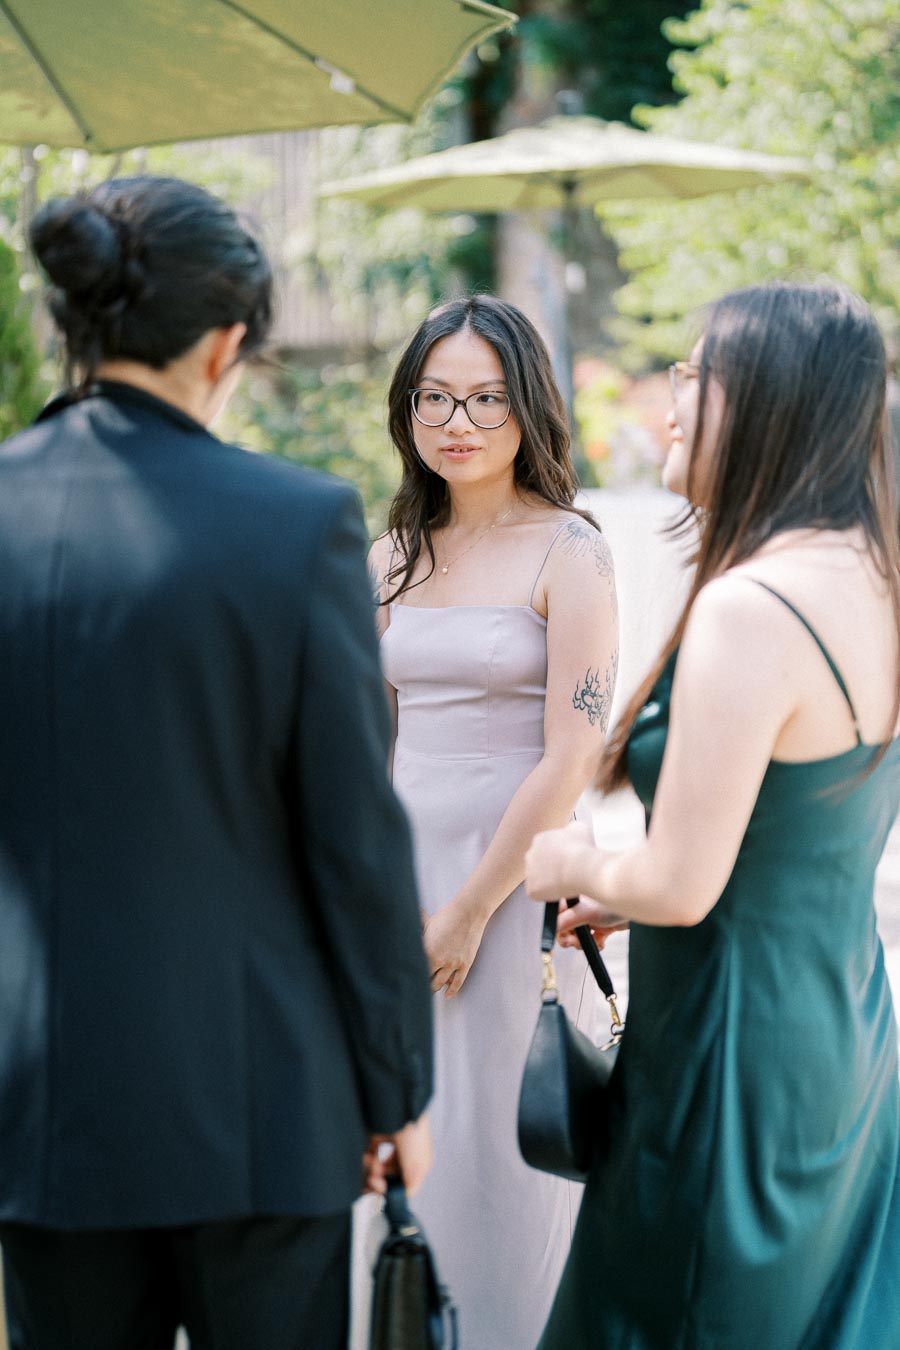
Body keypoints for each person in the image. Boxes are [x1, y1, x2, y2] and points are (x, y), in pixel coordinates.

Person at [0, 175, 433, 1350]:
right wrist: (396, 1086)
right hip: (264, 1098)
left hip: (40, 1105)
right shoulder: (294, 523)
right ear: (228, 342)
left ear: (69, 323)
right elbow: (354, 839)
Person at [525, 280, 900, 1349]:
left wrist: (574, 861)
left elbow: (684, 879)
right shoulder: (872, 578)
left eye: (700, 375)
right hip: (839, 1032)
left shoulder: (751, 606)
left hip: (733, 1054)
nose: (672, 398)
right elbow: (788, 838)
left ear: (772, 400)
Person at [362, 295, 619, 1350]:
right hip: (395, 877)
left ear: (528, 410)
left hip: (507, 889)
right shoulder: (390, 555)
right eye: (434, 396)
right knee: (400, 1136)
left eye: (485, 398)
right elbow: (367, 745)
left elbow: (572, 755)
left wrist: (471, 909)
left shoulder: (573, 551)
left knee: (498, 1146)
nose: (456, 421)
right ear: (407, 408)